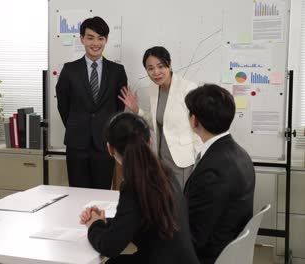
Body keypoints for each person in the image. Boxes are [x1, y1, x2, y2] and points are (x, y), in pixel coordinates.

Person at [79, 112, 199, 264]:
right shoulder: (164, 173)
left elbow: (109, 247)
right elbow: (136, 219)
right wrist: (105, 222)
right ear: (149, 141)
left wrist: (93, 225)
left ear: (110, 149)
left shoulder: (134, 185)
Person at [184, 84, 255, 264]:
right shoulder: (240, 153)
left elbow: (194, 238)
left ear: (195, 121)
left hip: (208, 256)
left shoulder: (213, 170)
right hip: (228, 248)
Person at [56, 16, 128, 189]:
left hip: (104, 144)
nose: (95, 43)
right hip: (76, 144)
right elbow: (63, 106)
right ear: (82, 39)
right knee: (77, 194)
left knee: (102, 194)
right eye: (90, 38)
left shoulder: (117, 71)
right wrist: (77, 126)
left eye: (100, 38)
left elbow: (119, 108)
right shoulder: (69, 70)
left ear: (106, 40)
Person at [119, 46, 201, 188]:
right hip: (161, 160)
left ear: (169, 64)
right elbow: (156, 123)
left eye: (160, 66)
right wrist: (136, 109)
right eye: (150, 68)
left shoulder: (187, 88)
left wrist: (199, 160)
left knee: (181, 204)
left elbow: (199, 127)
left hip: (183, 162)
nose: (156, 72)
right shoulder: (154, 89)